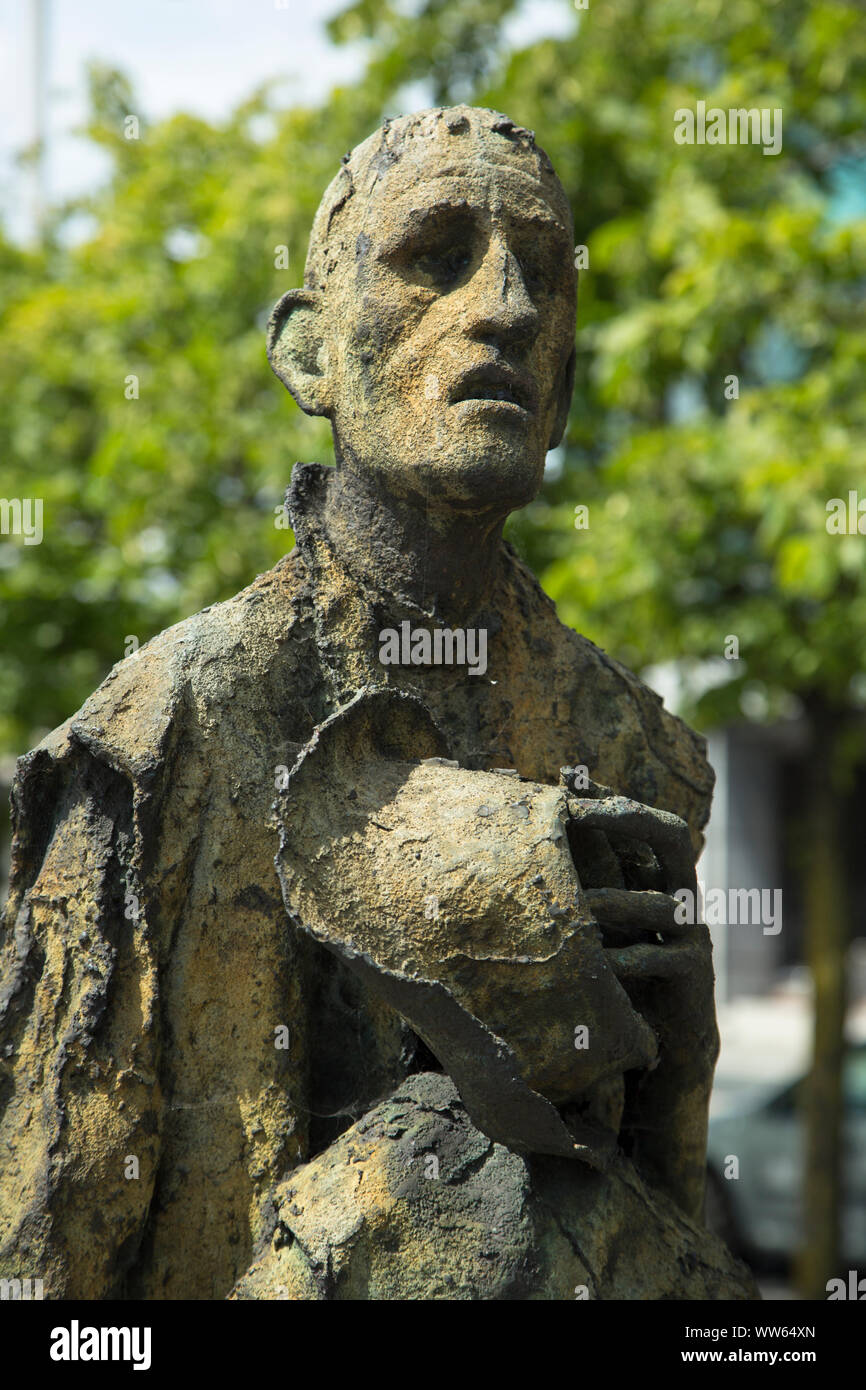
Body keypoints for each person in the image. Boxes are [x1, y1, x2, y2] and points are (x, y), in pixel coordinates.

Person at [0, 106, 719, 1300]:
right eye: (434, 255)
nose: (502, 307)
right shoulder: (162, 732)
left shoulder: (633, 747)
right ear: (308, 355)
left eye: (540, 272)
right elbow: (46, 1261)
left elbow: (668, 1218)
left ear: (565, 383)